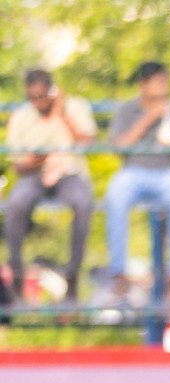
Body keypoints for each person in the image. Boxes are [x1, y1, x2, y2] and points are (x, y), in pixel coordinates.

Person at [104, 61, 170, 303]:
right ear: (142, 85)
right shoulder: (127, 110)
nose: (163, 86)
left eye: (165, 80)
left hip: (169, 172)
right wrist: (149, 118)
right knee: (115, 195)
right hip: (134, 170)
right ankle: (119, 274)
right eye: (157, 81)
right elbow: (118, 147)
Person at [5, 69, 96, 304]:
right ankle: (16, 278)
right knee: (15, 203)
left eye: (42, 96)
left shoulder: (74, 107)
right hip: (34, 175)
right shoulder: (21, 117)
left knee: (83, 203)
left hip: (69, 172)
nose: (38, 102)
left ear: (52, 91)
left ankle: (73, 280)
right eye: (32, 97)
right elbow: (18, 166)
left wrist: (60, 113)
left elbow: (87, 142)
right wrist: (38, 161)